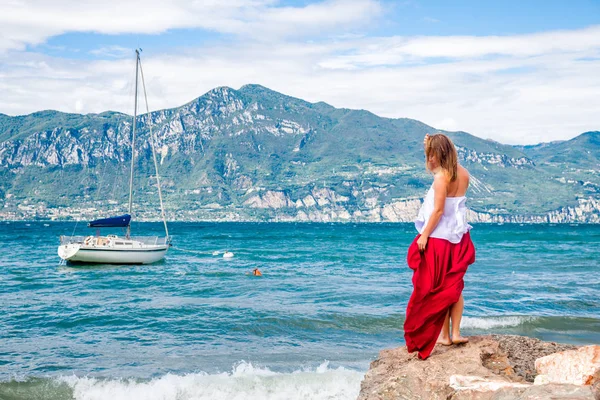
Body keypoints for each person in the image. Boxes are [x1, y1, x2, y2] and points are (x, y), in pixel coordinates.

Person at [403, 133, 476, 360]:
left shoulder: (441, 179)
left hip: (439, 239)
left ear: (438, 154)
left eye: (431, 154)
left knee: (434, 289)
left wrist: (424, 235)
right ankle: (451, 334)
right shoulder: (463, 173)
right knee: (452, 287)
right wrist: (429, 145)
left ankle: (443, 335)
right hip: (459, 238)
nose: (429, 158)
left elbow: (437, 211)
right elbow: (443, 170)